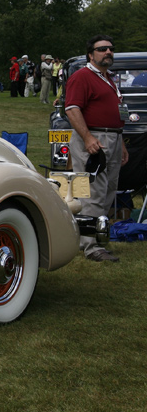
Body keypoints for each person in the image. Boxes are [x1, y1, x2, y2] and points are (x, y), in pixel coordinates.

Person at [65, 35, 129, 263]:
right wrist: (88, 137)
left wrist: (120, 143)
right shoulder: (82, 76)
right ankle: (90, 245)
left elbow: (117, 112)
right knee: (92, 193)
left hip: (113, 137)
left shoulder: (109, 78)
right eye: (102, 49)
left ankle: (100, 237)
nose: (108, 52)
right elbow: (72, 109)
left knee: (109, 191)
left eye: (111, 49)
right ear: (90, 54)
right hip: (93, 137)